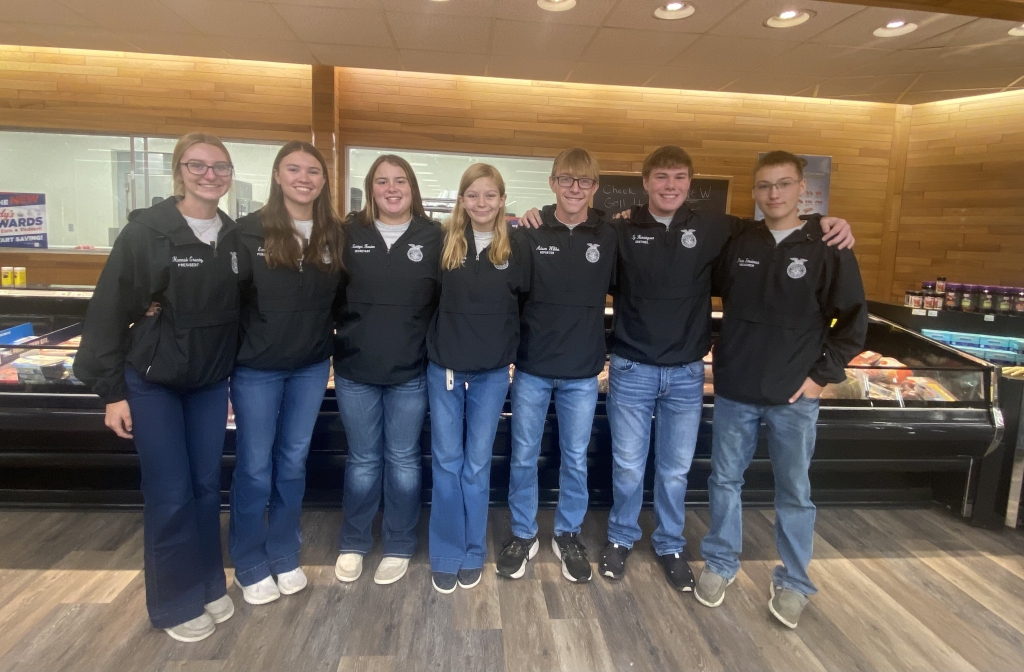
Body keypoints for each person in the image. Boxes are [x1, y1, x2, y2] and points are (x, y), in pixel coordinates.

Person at [519, 145, 854, 592]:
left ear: (690, 184)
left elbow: (779, 226)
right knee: (628, 467)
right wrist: (534, 215)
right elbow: (574, 235)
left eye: (678, 177)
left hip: (686, 373)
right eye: (661, 177)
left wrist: (823, 222)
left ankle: (671, 543)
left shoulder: (720, 230)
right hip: (631, 367)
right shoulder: (618, 231)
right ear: (645, 183)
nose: (670, 185)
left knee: (675, 470)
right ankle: (621, 538)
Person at [74, 132, 241, 643]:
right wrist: (111, 393)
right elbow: (107, 309)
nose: (209, 175)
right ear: (178, 171)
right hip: (153, 383)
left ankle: (210, 584)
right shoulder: (147, 232)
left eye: (219, 167)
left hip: (210, 383)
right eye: (197, 165)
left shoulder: (233, 237)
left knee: (207, 488)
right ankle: (173, 603)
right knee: (169, 494)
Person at [695, 150, 867, 629]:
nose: (774, 194)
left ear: (801, 189)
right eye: (765, 186)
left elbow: (853, 324)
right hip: (736, 390)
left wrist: (817, 379)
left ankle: (794, 581)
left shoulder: (829, 245)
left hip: (795, 398)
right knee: (725, 481)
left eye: (784, 185)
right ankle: (720, 562)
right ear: (754, 192)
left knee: (794, 491)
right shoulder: (737, 239)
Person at [229, 142, 345, 605]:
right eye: (294, 169)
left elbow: (342, 301)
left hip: (311, 366)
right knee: (255, 467)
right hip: (256, 368)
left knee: (292, 462)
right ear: (277, 175)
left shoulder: (334, 234)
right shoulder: (246, 232)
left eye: (313, 171)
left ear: (323, 181)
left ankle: (283, 550)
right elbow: (226, 300)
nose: (304, 178)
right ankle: (248, 558)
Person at [496, 148, 617, 584]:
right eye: (566, 180)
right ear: (552, 183)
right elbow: (508, 293)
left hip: (583, 372)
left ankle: (567, 534)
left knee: (575, 459)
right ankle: (524, 534)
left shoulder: (608, 235)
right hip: (531, 367)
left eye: (584, 181)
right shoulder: (529, 231)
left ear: (595, 187)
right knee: (524, 456)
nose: (575, 189)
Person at [333, 154, 442, 586]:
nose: (392, 189)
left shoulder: (434, 236)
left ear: (412, 188)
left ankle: (398, 543)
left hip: (411, 371)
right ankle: (354, 540)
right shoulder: (347, 233)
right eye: (382, 182)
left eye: (400, 181)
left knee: (402, 461)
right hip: (355, 368)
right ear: (370, 188)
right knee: (362, 461)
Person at [426, 164, 527, 594]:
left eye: (490, 195)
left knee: (476, 465)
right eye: (473, 195)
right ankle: (447, 552)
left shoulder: (519, 247)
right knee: (448, 464)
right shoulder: (441, 242)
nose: (481, 203)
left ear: (503, 200)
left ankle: (472, 550)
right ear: (462, 199)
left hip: (490, 375)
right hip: (445, 368)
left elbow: (526, 304)